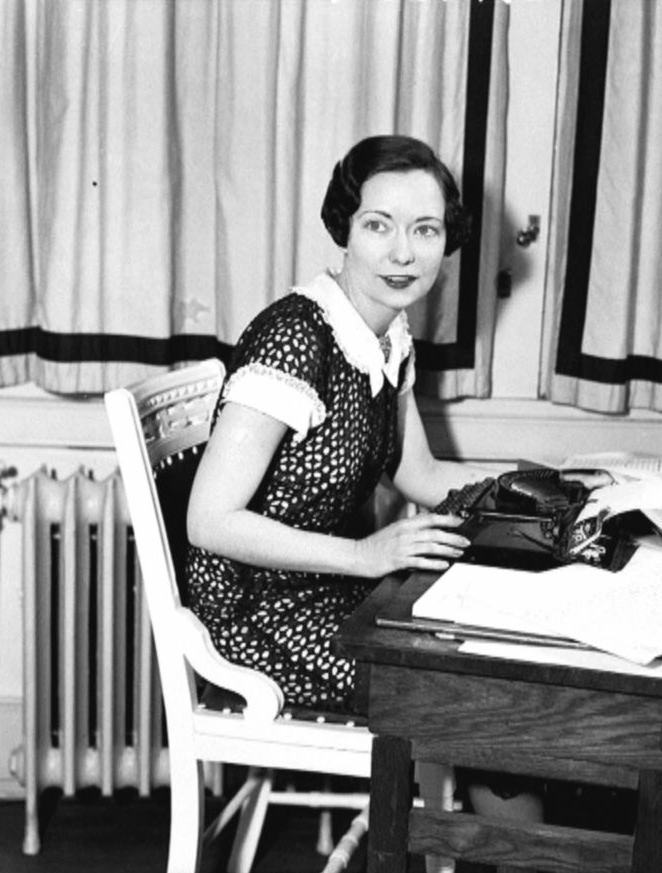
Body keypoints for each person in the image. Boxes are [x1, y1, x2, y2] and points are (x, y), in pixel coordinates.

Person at [184, 134, 491, 716]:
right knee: (463, 696)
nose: (403, 254)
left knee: (486, 655)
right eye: (378, 226)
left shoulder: (388, 334)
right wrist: (364, 555)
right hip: (259, 611)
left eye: (426, 230)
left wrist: (545, 491)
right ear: (344, 228)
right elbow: (208, 521)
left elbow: (419, 474)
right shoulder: (295, 340)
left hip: (334, 589)